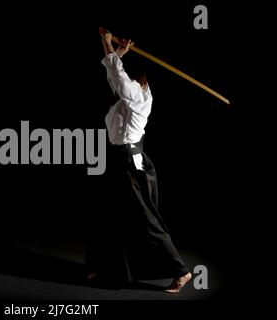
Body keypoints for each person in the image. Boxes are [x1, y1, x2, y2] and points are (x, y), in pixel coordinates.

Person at [86, 28, 192, 294]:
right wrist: (117, 51)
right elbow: (114, 77)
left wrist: (106, 42)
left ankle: (182, 272)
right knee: (110, 213)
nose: (128, 79)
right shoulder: (129, 98)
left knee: (146, 219)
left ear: (141, 80)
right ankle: (105, 266)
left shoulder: (139, 96)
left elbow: (120, 79)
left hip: (129, 161)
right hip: (119, 159)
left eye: (134, 77)